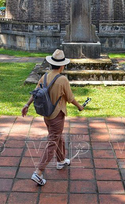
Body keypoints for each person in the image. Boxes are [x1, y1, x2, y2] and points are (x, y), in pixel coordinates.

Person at [22, 49, 85, 187]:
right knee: (53, 141)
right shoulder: (62, 79)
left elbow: (35, 92)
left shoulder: (44, 77)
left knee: (57, 137)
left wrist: (27, 104)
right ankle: (38, 172)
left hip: (47, 115)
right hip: (57, 115)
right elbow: (70, 98)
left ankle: (61, 160)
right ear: (62, 66)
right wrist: (80, 106)